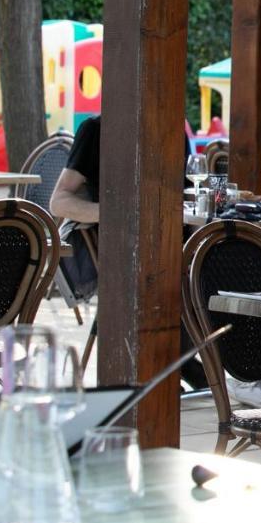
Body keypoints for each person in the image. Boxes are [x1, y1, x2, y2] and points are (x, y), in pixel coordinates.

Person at [49, 116, 208, 388]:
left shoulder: (171, 130)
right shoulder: (96, 129)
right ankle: (184, 366)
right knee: (168, 275)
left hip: (174, 241)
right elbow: (58, 202)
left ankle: (188, 364)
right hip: (121, 251)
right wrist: (115, 213)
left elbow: (185, 193)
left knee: (217, 261)